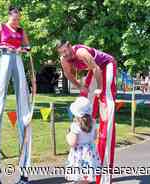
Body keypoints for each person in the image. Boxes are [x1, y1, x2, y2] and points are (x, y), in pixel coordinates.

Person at [56, 41, 117, 184]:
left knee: (105, 101)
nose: (66, 54)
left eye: (67, 50)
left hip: (106, 65)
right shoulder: (64, 59)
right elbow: (69, 75)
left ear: (70, 46)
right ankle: (82, 136)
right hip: (93, 70)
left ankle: (104, 175)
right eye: (62, 53)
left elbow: (96, 68)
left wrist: (101, 89)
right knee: (83, 100)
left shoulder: (81, 53)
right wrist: (80, 86)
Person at [0, 6, 32, 184]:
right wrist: (5, 45)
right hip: (5, 58)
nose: (16, 22)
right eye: (14, 19)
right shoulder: (0, 27)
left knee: (23, 103)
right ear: (9, 17)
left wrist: (24, 49)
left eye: (18, 19)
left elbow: (28, 46)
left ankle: (24, 173)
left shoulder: (21, 30)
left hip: (18, 60)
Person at [66, 97, 101, 184]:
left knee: (80, 176)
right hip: (90, 153)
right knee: (86, 177)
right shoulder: (93, 122)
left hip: (79, 155)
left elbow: (72, 142)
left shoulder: (75, 126)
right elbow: (95, 136)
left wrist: (67, 135)